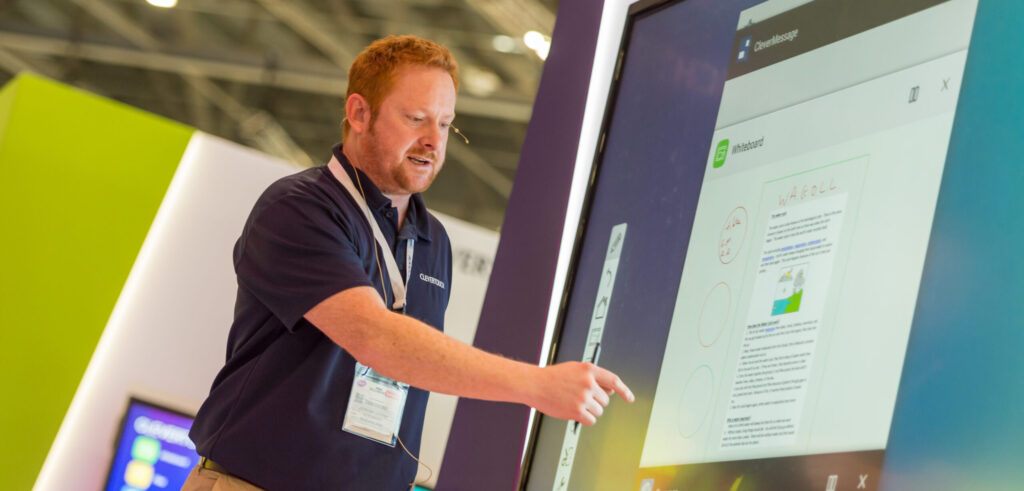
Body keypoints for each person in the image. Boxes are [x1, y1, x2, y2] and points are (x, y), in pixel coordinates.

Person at [182, 35, 633, 491]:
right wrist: (536, 385)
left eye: (446, 124)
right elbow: (376, 337)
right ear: (360, 113)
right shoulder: (300, 208)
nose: (433, 140)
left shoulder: (432, 240)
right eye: (416, 118)